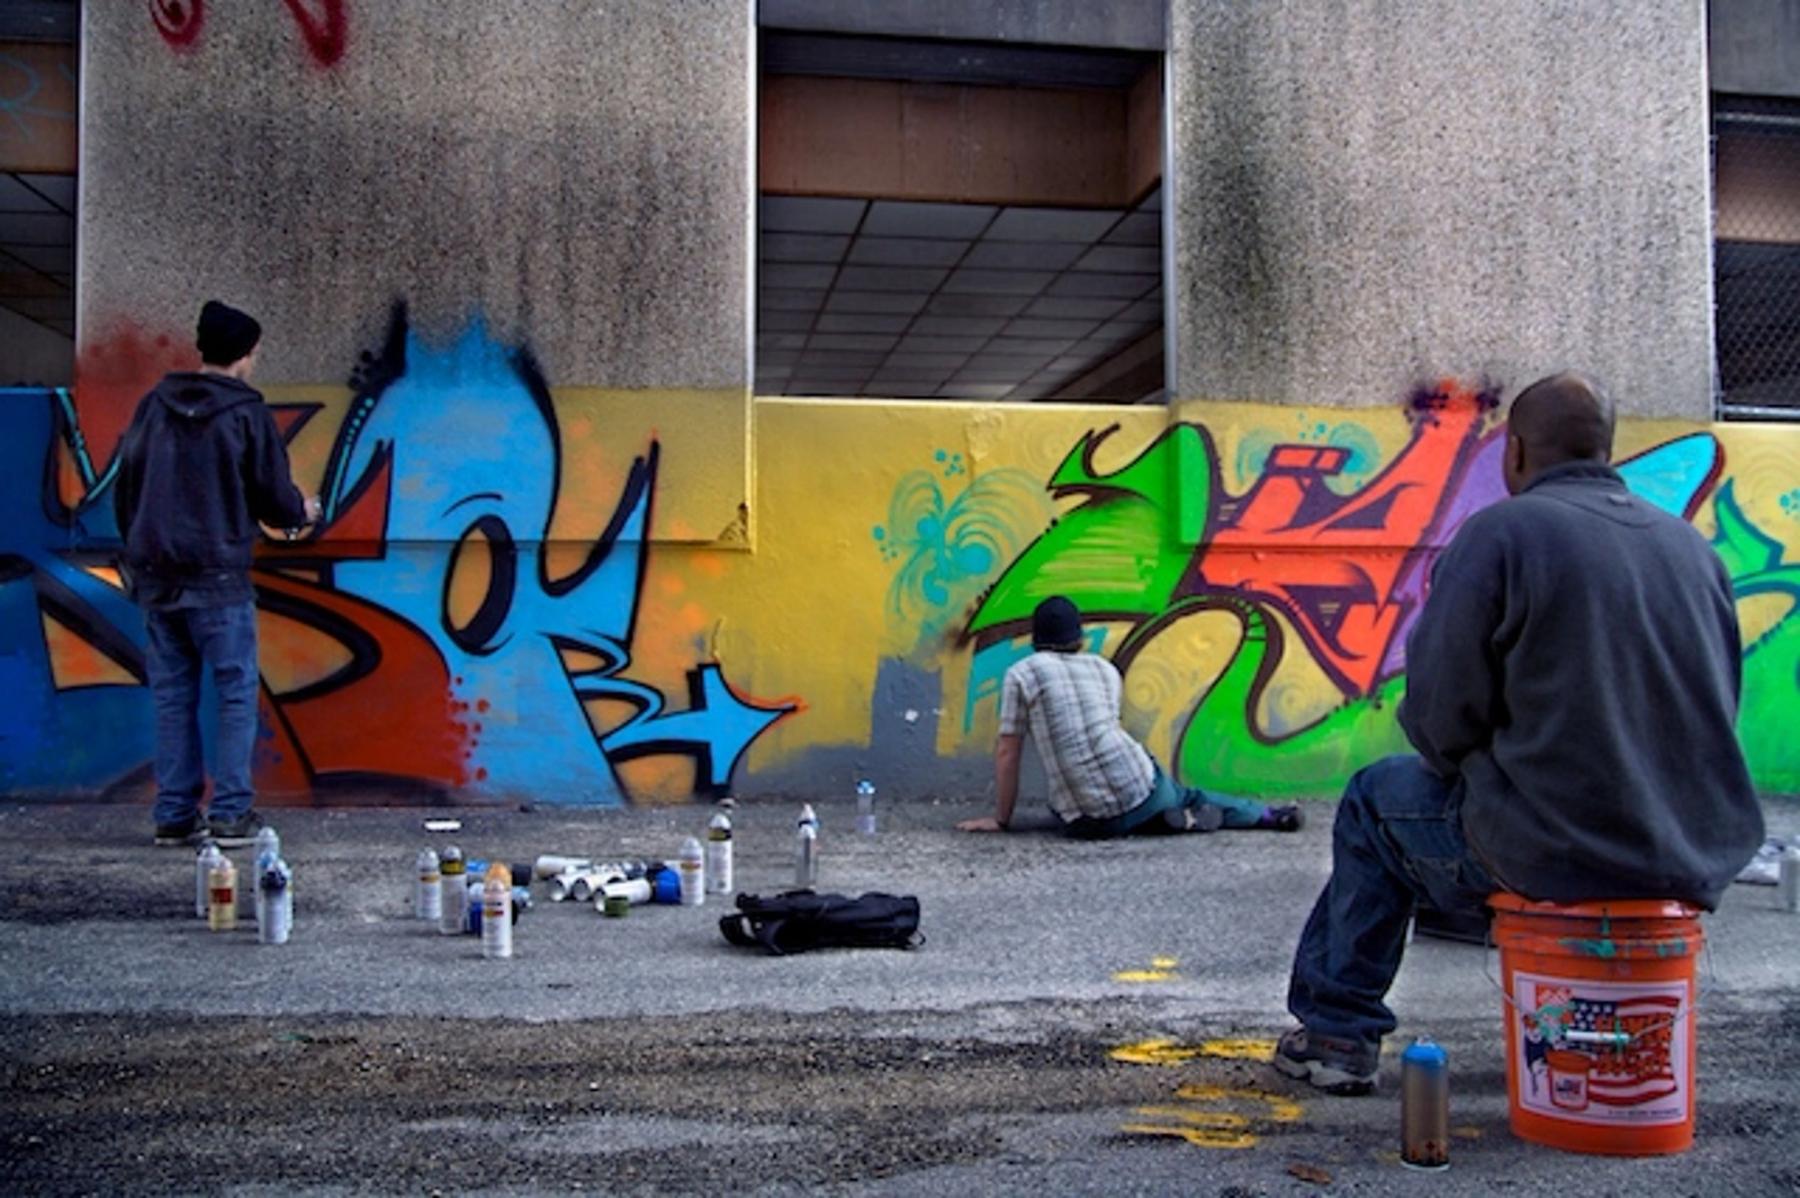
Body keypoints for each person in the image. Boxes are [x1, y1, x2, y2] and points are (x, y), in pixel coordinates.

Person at [1274, 372, 1764, 1095]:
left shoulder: (1501, 534)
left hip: (1559, 848)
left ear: (1517, 454)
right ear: (1605, 447)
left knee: (1377, 802)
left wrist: (1473, 762)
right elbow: (1717, 702)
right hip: (1688, 852)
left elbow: (1439, 719)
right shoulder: (1691, 550)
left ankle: (1336, 1035)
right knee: (1454, 814)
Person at [114, 301, 321, 847]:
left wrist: (138, 551)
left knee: (173, 694)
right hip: (219, 577)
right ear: (246, 355)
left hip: (157, 576)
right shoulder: (245, 413)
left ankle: (175, 814)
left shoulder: (152, 407)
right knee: (233, 691)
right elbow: (275, 501)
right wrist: (305, 511)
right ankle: (230, 813)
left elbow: (125, 485)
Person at [957, 595, 1303, 838]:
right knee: (1189, 795)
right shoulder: (1104, 669)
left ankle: (1157, 823)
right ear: (1078, 638)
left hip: (1087, 823)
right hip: (1143, 787)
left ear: (1037, 640)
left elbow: (1008, 752)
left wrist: (1001, 820)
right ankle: (1268, 816)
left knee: (1064, 813)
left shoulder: (1022, 672)